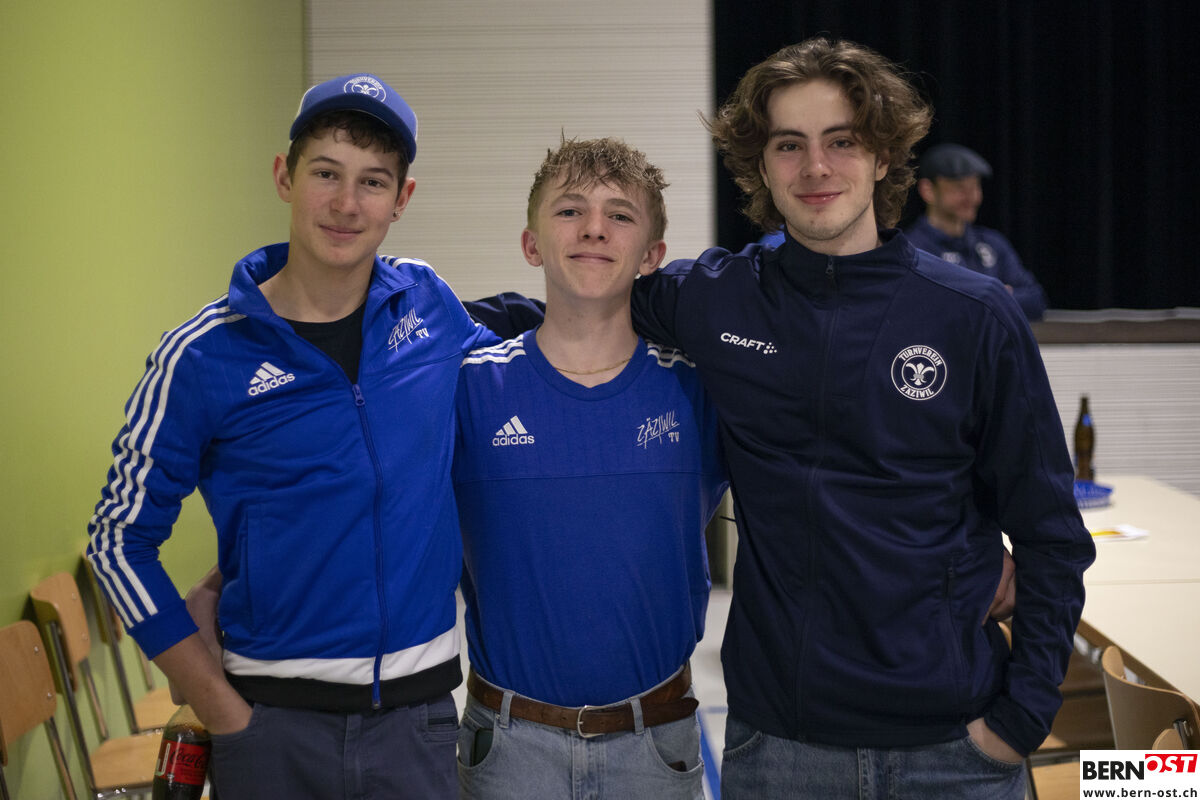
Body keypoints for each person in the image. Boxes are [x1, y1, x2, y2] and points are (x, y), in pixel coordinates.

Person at [629, 37, 1095, 799]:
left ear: (883, 157)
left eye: (842, 141)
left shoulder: (974, 316)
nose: (816, 167)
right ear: (761, 166)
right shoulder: (717, 299)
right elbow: (575, 307)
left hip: (956, 750)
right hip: (779, 747)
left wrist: (1021, 720)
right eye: (789, 145)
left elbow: (1051, 535)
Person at [85, 73, 496, 798]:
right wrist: (220, 708)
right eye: (326, 173)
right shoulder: (202, 356)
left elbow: (520, 379)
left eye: (373, 182)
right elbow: (117, 542)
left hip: (419, 724)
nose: (346, 203)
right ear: (284, 176)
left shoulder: (428, 305)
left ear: (402, 199)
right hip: (270, 731)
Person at [453, 137, 726, 799]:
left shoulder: (697, 390)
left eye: (620, 215)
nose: (595, 228)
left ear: (653, 255)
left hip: (656, 745)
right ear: (531, 244)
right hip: (508, 749)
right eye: (570, 210)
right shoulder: (468, 387)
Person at [905, 143, 1048, 320]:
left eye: (975, 187)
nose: (971, 197)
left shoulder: (993, 243)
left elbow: (1036, 301)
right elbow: (927, 307)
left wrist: (980, 299)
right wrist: (998, 296)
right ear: (928, 191)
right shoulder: (912, 249)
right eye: (959, 188)